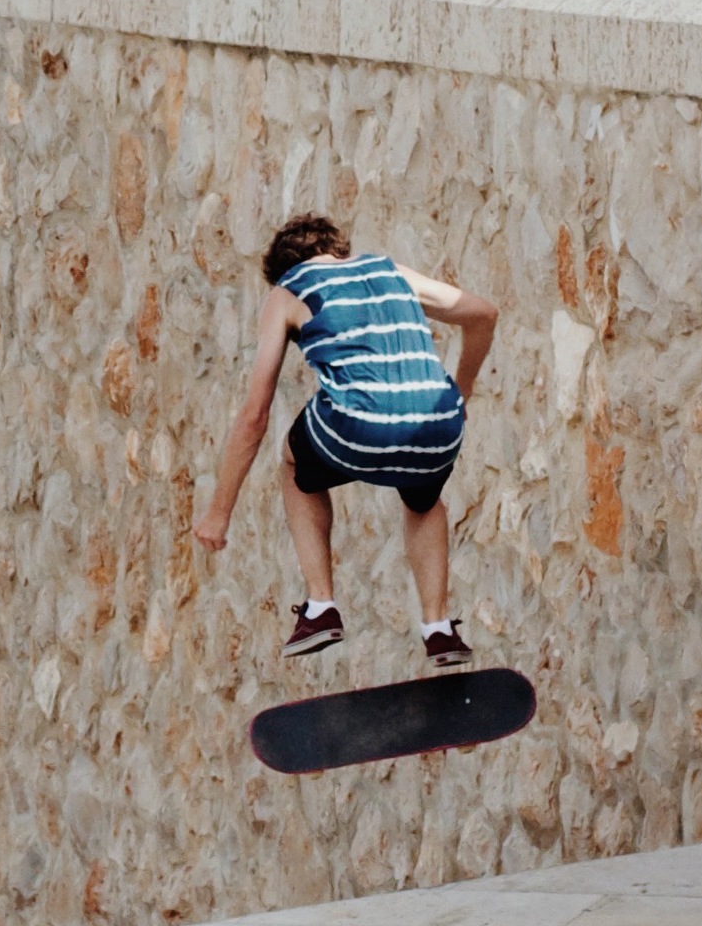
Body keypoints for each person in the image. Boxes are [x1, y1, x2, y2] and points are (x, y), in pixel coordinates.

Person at [194, 213, 497, 664]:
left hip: (358, 425)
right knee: (424, 500)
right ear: (339, 250)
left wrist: (219, 515)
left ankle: (320, 606)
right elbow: (483, 313)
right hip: (439, 424)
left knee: (295, 464)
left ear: (282, 269)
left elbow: (255, 415)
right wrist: (464, 388)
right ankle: (438, 628)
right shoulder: (390, 271)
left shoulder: (287, 290)